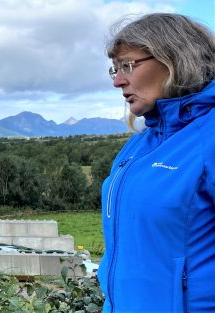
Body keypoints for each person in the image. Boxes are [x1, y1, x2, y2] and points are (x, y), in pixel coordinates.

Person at [100, 13, 215, 312]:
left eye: (127, 65)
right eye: (115, 68)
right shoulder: (137, 146)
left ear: (175, 58)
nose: (117, 80)